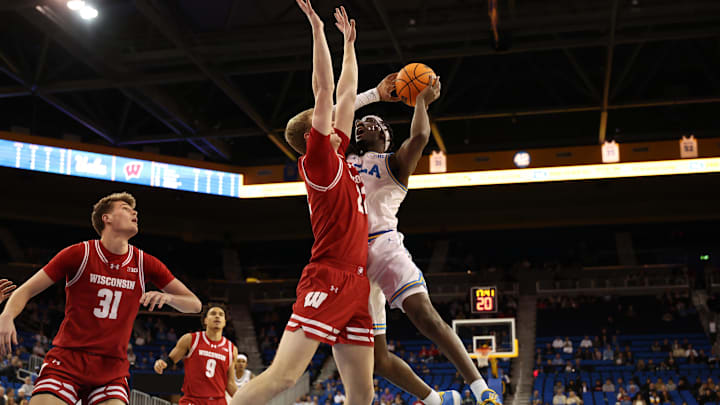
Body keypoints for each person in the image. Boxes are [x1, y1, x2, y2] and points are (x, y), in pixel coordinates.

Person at [231, 3, 373, 405]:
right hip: (328, 277)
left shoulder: (340, 154)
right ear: (313, 130)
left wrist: (349, 44)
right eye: (322, 118)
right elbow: (326, 90)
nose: (333, 117)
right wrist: (316, 29)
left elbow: (345, 91)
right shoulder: (319, 162)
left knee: (363, 393)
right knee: (284, 376)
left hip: (357, 282)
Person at [348, 67, 499, 405]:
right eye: (360, 121)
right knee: (377, 359)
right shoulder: (344, 160)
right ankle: (436, 400)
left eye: (371, 121)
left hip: (383, 245)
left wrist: (420, 103)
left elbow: (418, 138)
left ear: (386, 135)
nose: (362, 123)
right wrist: (370, 95)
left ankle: (481, 388)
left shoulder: (393, 163)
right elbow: (327, 117)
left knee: (424, 315)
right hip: (350, 260)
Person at [0, 192, 201, 405]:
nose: (134, 212)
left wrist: (168, 297)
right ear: (107, 218)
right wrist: (7, 315)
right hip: (68, 360)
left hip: (112, 368)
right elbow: (26, 289)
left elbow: (195, 305)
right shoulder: (80, 253)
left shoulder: (145, 263)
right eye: (125, 208)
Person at [155, 305, 238, 404]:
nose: (217, 316)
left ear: (224, 322)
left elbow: (230, 383)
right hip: (193, 400)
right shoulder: (191, 339)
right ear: (205, 320)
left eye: (221, 315)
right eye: (213, 314)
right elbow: (170, 360)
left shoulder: (231, 349)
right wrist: (161, 363)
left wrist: (246, 400)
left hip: (218, 401)